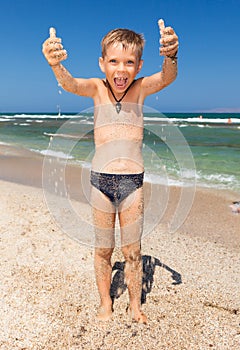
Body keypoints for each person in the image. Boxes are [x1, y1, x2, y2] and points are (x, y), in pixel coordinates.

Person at [42, 19, 178, 324]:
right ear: (102, 63)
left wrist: (171, 55)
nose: (121, 69)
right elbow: (70, 84)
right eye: (113, 61)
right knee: (103, 249)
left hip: (133, 184)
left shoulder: (141, 89)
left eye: (129, 62)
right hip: (100, 183)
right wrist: (55, 65)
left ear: (139, 64)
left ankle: (134, 305)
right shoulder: (96, 89)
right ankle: (105, 303)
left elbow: (169, 76)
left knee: (133, 250)